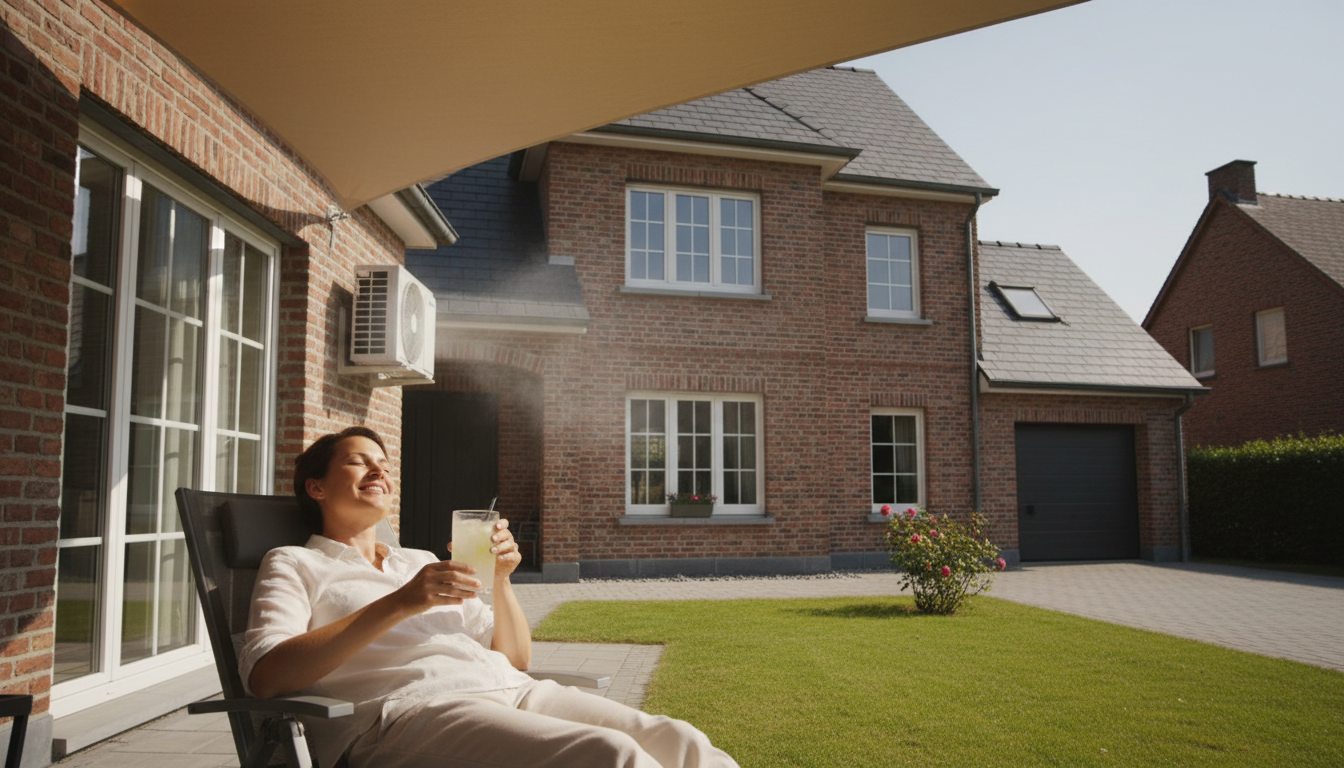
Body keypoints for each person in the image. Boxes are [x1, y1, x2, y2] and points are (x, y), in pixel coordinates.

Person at [239, 426, 739, 768]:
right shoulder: (295, 563)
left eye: (384, 465)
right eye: (357, 462)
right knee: (609, 755)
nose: (379, 472)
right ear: (317, 487)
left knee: (680, 740)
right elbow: (266, 677)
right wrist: (401, 604)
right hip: (407, 712)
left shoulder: (415, 560)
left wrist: (501, 581)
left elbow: (516, 658)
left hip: (507, 688)